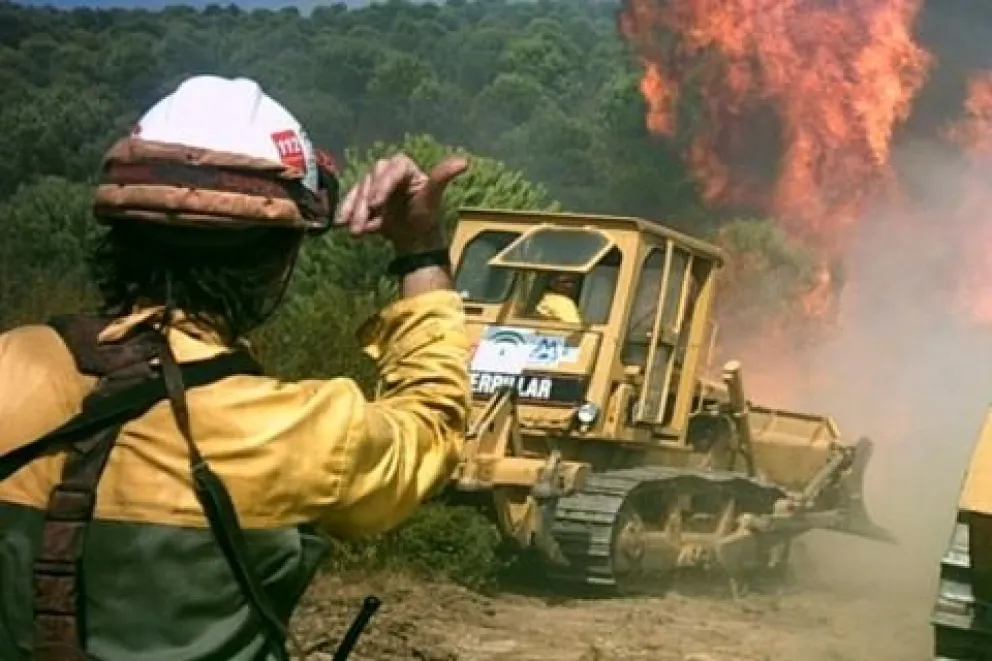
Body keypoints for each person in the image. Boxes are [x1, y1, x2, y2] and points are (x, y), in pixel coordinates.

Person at [0, 75, 471, 660]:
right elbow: (433, 422)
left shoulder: (11, 361)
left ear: (119, 229)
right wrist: (419, 247)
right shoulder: (303, 431)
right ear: (277, 264)